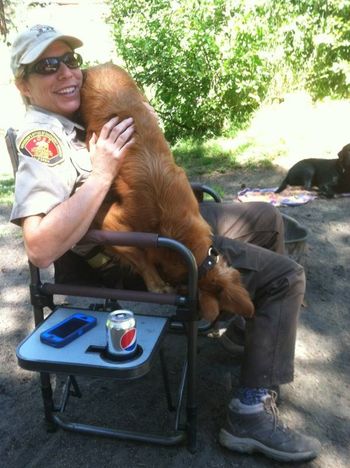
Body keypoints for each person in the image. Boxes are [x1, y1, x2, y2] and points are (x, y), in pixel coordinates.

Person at [9, 24, 320, 462]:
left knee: (268, 218)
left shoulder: (71, 115)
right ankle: (248, 411)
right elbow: (40, 248)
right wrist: (101, 172)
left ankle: (249, 333)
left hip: (156, 227)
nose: (68, 73)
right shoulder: (41, 141)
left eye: (70, 60)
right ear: (23, 84)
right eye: (48, 66)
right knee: (286, 277)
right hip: (133, 255)